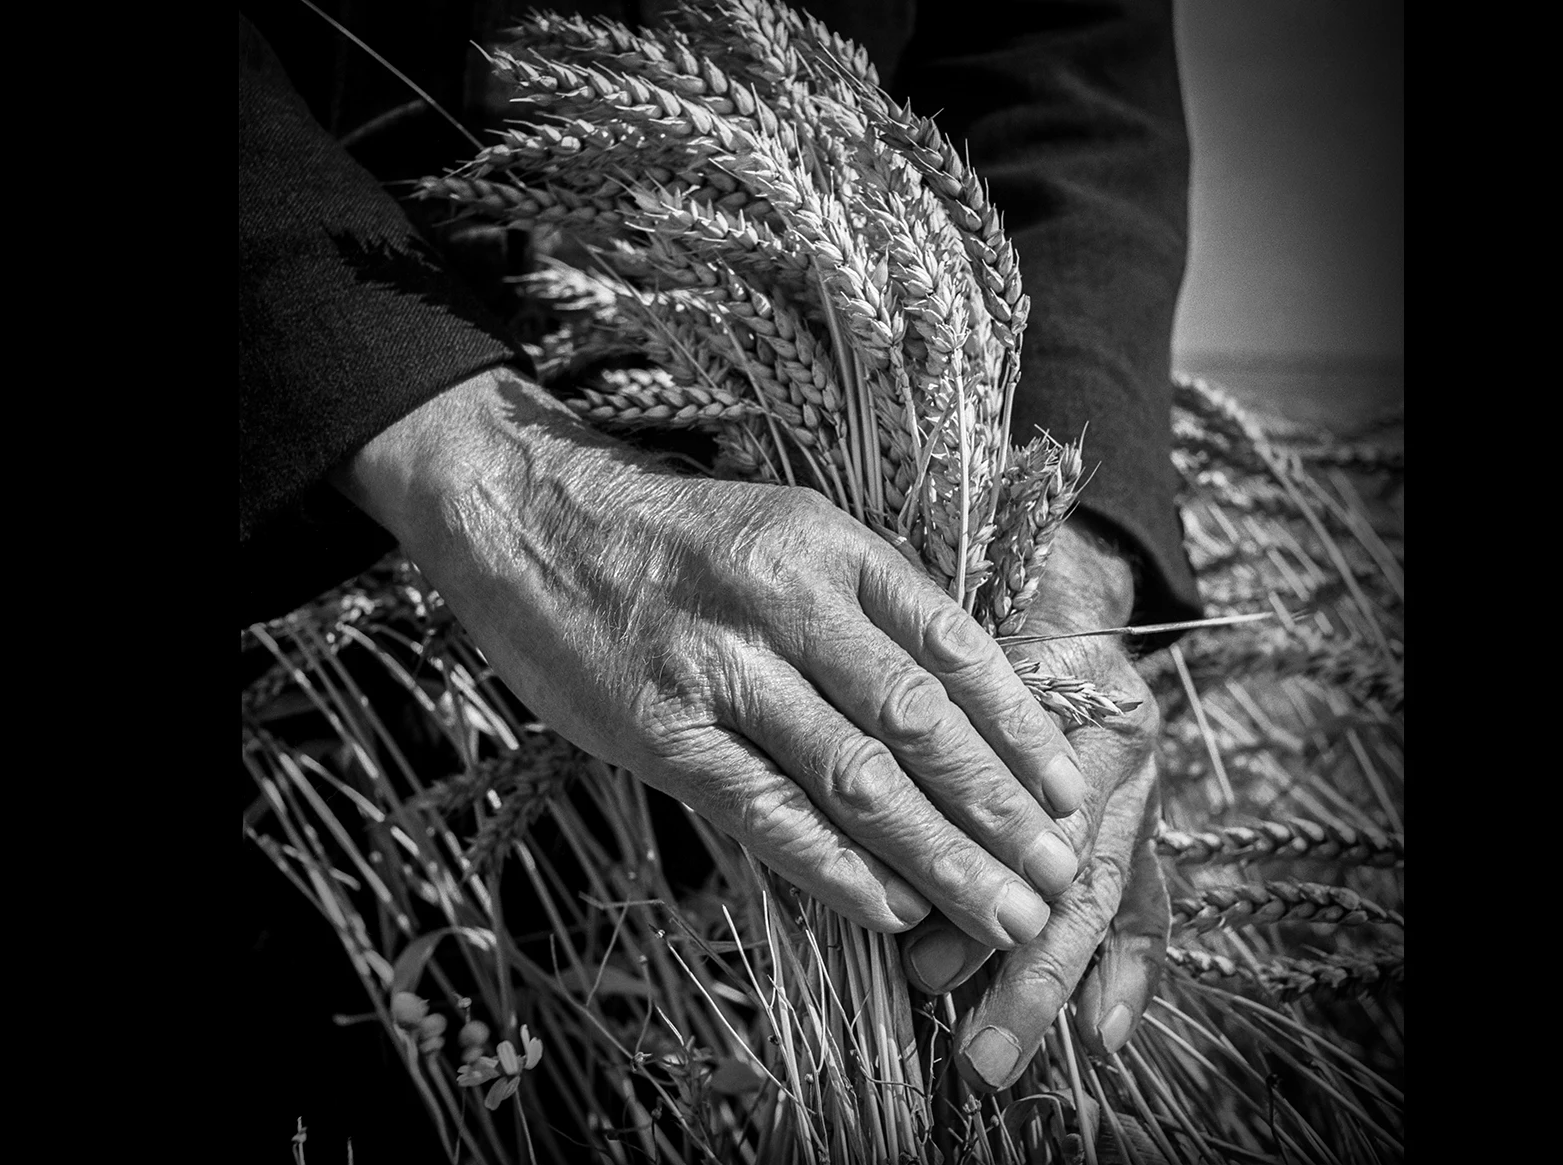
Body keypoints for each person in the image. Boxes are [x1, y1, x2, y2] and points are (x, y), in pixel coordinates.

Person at [237, 0, 1202, 1128]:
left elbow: (1065, 64)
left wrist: (1057, 542)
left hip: (802, 681)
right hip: (294, 616)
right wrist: (463, 454)